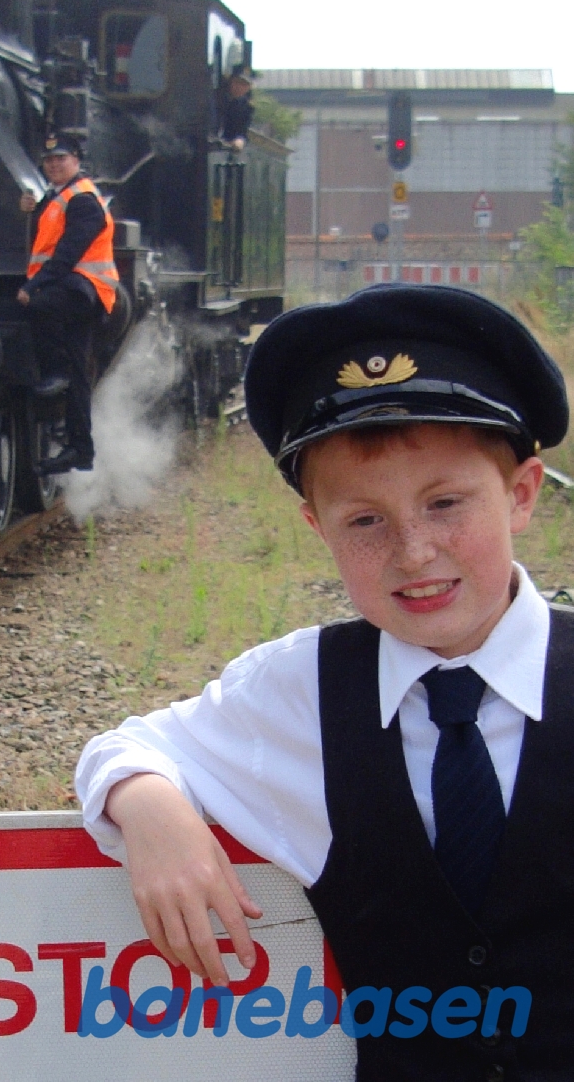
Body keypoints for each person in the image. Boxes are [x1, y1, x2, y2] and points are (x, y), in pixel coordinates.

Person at [76, 284, 572, 1076]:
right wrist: (147, 807)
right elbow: (130, 745)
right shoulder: (302, 690)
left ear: (520, 495)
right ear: (317, 528)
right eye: (365, 521)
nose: (413, 551)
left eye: (445, 503)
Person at [16, 138, 119, 475]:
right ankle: (80, 450)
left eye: (61, 159)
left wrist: (32, 287)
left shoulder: (83, 200)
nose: (54, 165)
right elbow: (48, 239)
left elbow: (67, 253)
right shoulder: (59, 197)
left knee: (40, 307)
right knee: (78, 372)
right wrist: (31, 211)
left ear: (76, 160)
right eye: (49, 160)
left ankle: (54, 372)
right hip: (72, 286)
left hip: (85, 288)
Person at [220, 69, 254, 149]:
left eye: (244, 85)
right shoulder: (216, 98)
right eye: (237, 82)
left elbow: (241, 131)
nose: (239, 87)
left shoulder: (246, 107)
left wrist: (239, 140)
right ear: (230, 81)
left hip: (224, 147)